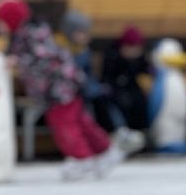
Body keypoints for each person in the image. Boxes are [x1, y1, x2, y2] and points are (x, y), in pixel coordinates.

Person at [0, 0, 122, 179]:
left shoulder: (32, 35)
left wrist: (18, 61)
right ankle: (104, 150)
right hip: (60, 87)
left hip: (60, 89)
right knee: (81, 121)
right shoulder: (23, 35)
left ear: (11, 20)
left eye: (0, 21)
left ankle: (81, 159)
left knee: (64, 124)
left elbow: (44, 59)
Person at [61, 8, 143, 151]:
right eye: (82, 32)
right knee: (94, 103)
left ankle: (119, 131)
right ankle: (109, 136)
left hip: (85, 90)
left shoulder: (83, 51)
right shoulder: (61, 51)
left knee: (106, 98)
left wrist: (97, 88)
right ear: (71, 32)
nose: (86, 36)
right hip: (67, 92)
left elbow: (88, 75)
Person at [101, 25, 153, 136]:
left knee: (140, 101)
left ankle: (142, 132)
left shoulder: (139, 58)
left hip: (132, 91)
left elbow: (146, 69)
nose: (136, 52)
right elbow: (107, 80)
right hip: (116, 93)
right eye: (133, 48)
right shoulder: (112, 57)